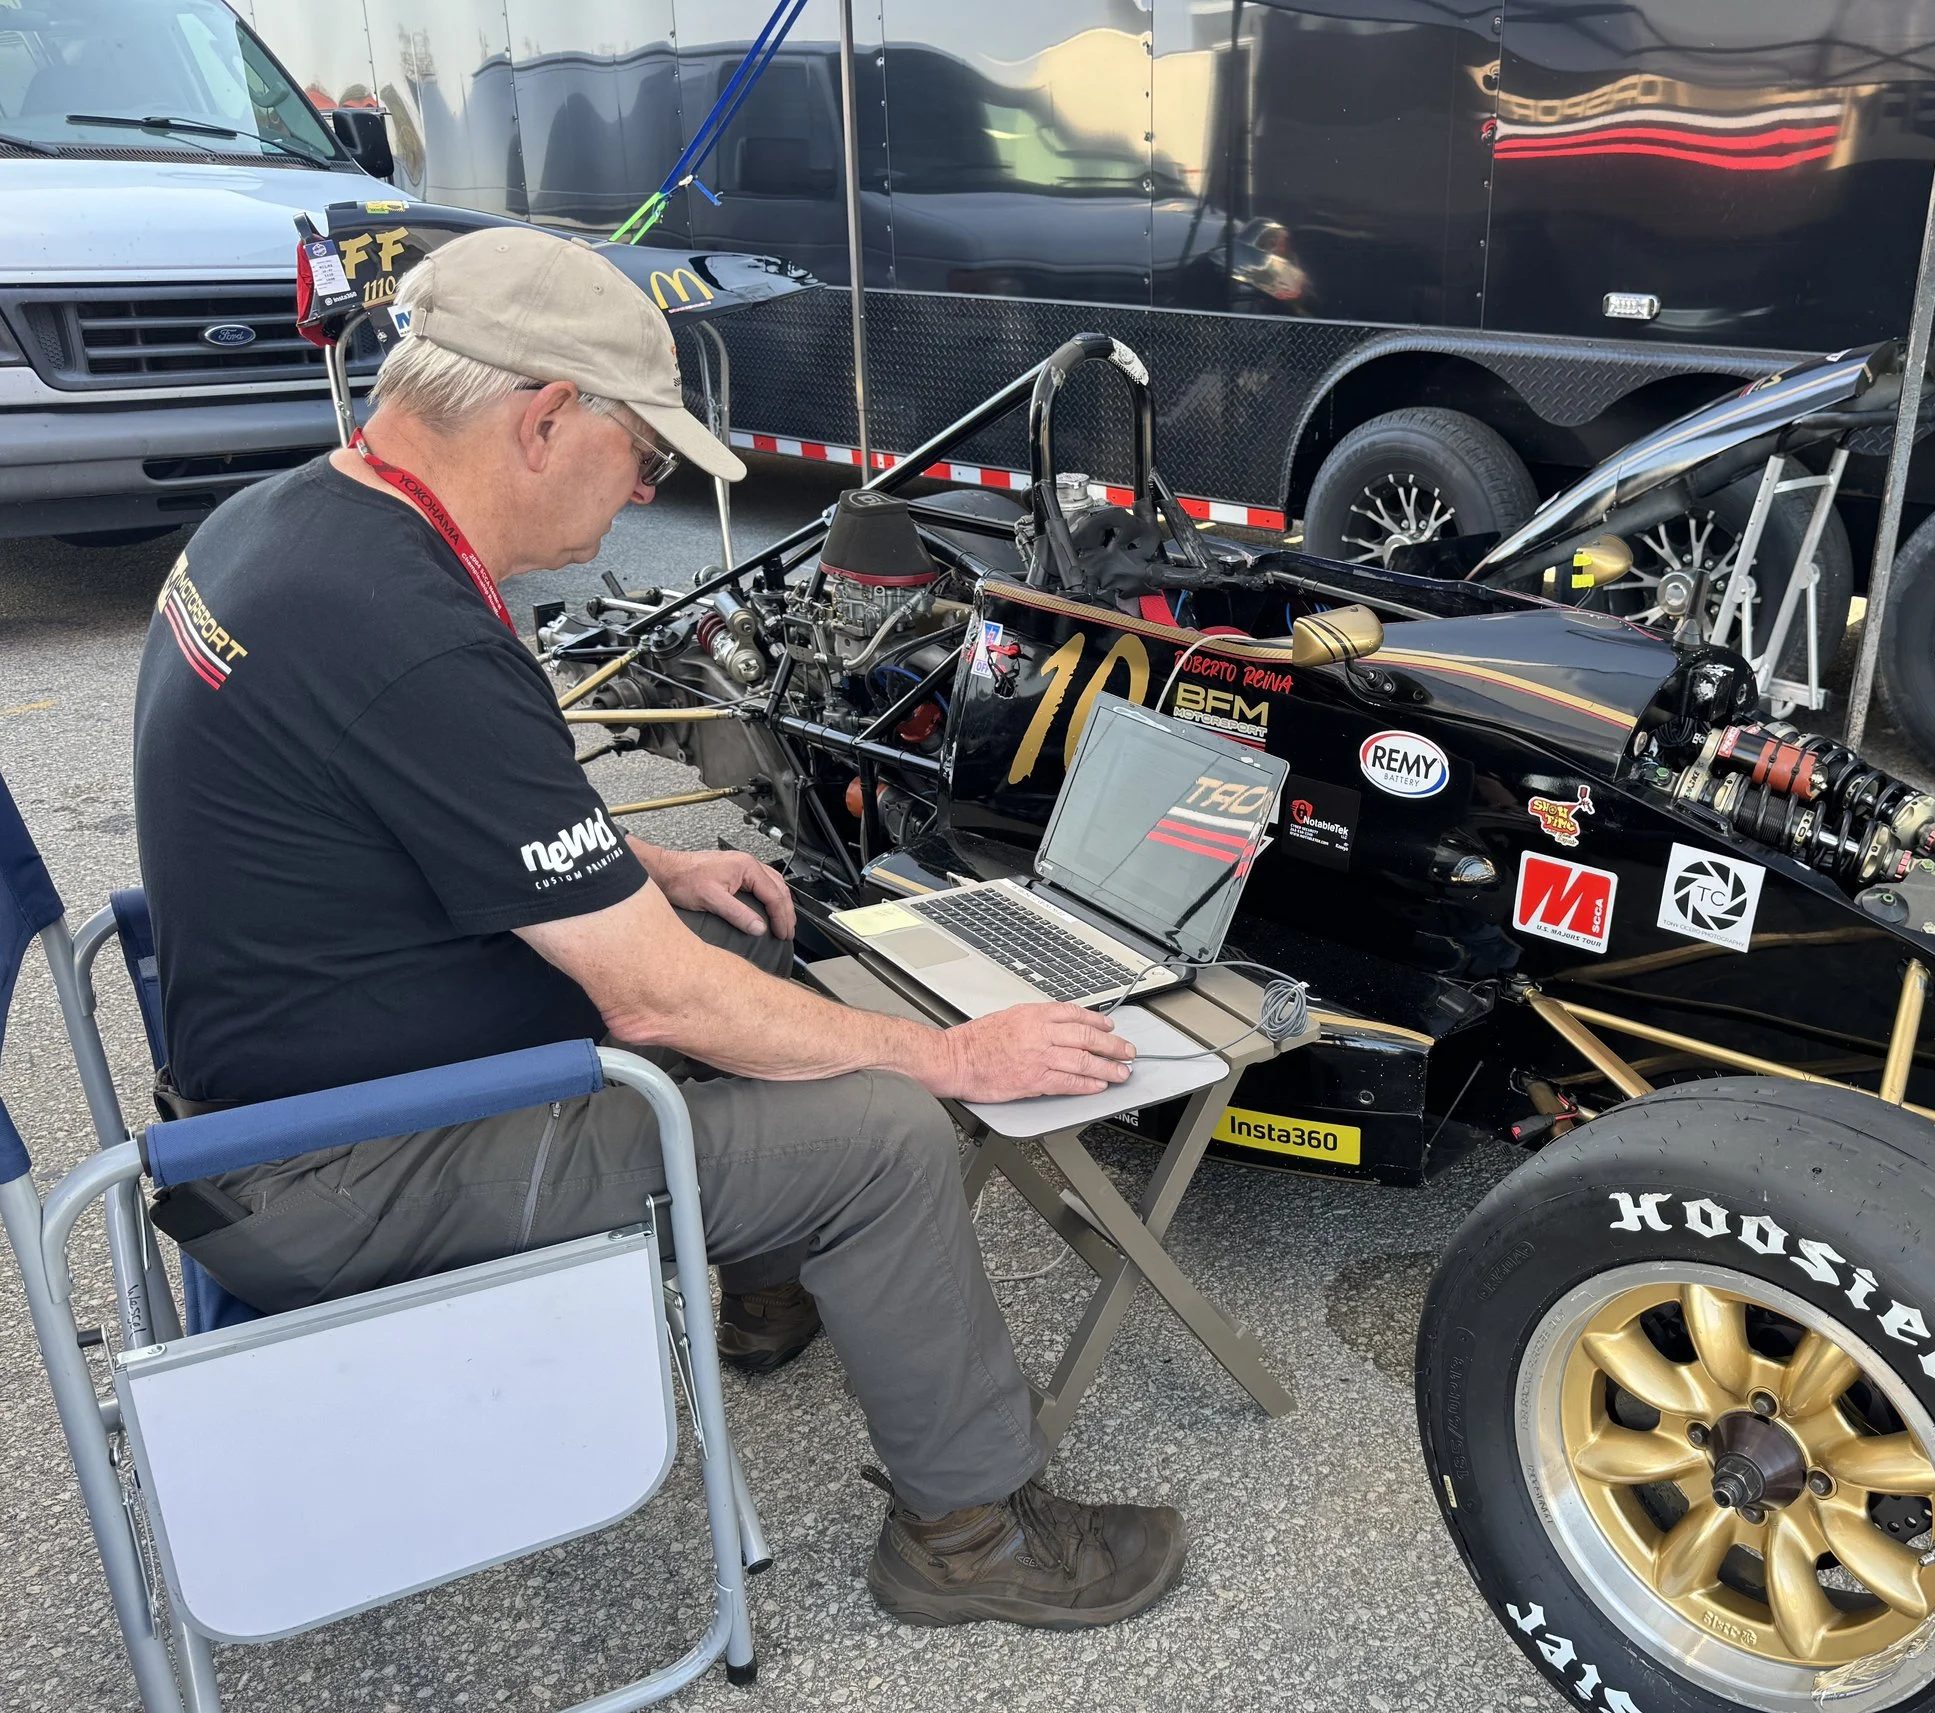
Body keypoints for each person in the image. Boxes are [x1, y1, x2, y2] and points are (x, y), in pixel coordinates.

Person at [130, 226, 1186, 1630]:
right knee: (882, 1131)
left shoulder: (288, 525)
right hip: (337, 1168)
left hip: (283, 1079)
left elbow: (384, 800)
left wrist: (631, 861)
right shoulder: (409, 628)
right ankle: (970, 1535)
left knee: (754, 943)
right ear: (544, 416)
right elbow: (652, 1007)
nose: (649, 486)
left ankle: (766, 1287)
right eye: (643, 452)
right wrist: (952, 1058)